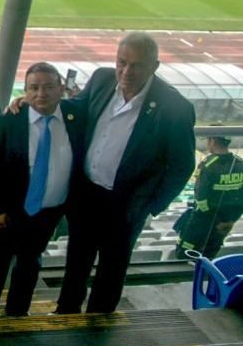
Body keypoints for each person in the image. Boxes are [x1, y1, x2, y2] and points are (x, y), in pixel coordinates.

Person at [56, 32, 195, 314]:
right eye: (122, 62)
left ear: (154, 67)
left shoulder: (175, 107)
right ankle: (66, 312)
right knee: (77, 260)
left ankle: (98, 323)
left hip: (127, 205)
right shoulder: (101, 79)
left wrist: (150, 206)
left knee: (112, 267)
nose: (126, 71)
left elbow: (182, 165)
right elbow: (76, 109)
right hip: (86, 195)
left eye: (137, 65)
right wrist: (31, 104)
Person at [0, 63, 85, 318]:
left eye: (48, 87)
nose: (41, 94)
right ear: (25, 91)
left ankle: (17, 316)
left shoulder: (76, 118)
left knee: (29, 265)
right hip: (8, 214)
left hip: (48, 214)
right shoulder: (4, 123)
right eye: (33, 88)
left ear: (61, 89)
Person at [175, 133, 242, 260]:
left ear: (212, 141)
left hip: (202, 223)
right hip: (225, 224)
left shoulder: (208, 165)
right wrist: (230, 220)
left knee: (184, 254)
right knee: (210, 255)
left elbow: (201, 199)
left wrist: (214, 221)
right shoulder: (240, 163)